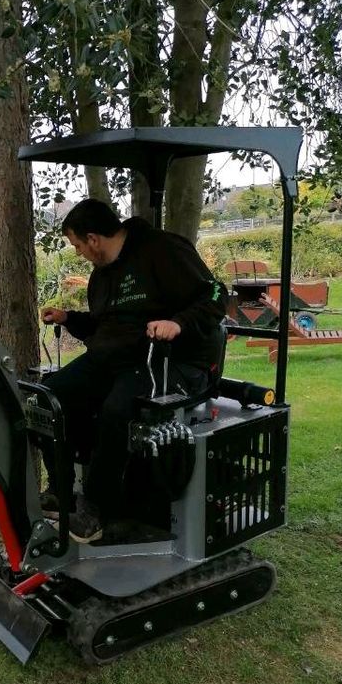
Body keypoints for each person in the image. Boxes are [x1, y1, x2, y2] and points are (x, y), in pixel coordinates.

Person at [40, 198, 228, 543]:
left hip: (171, 361)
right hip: (118, 361)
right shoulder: (101, 277)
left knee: (118, 409)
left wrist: (178, 323)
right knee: (49, 397)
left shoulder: (162, 249)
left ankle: (96, 510)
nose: (79, 252)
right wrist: (70, 318)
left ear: (94, 238)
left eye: (78, 245)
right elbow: (104, 328)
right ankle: (62, 490)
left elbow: (216, 294)